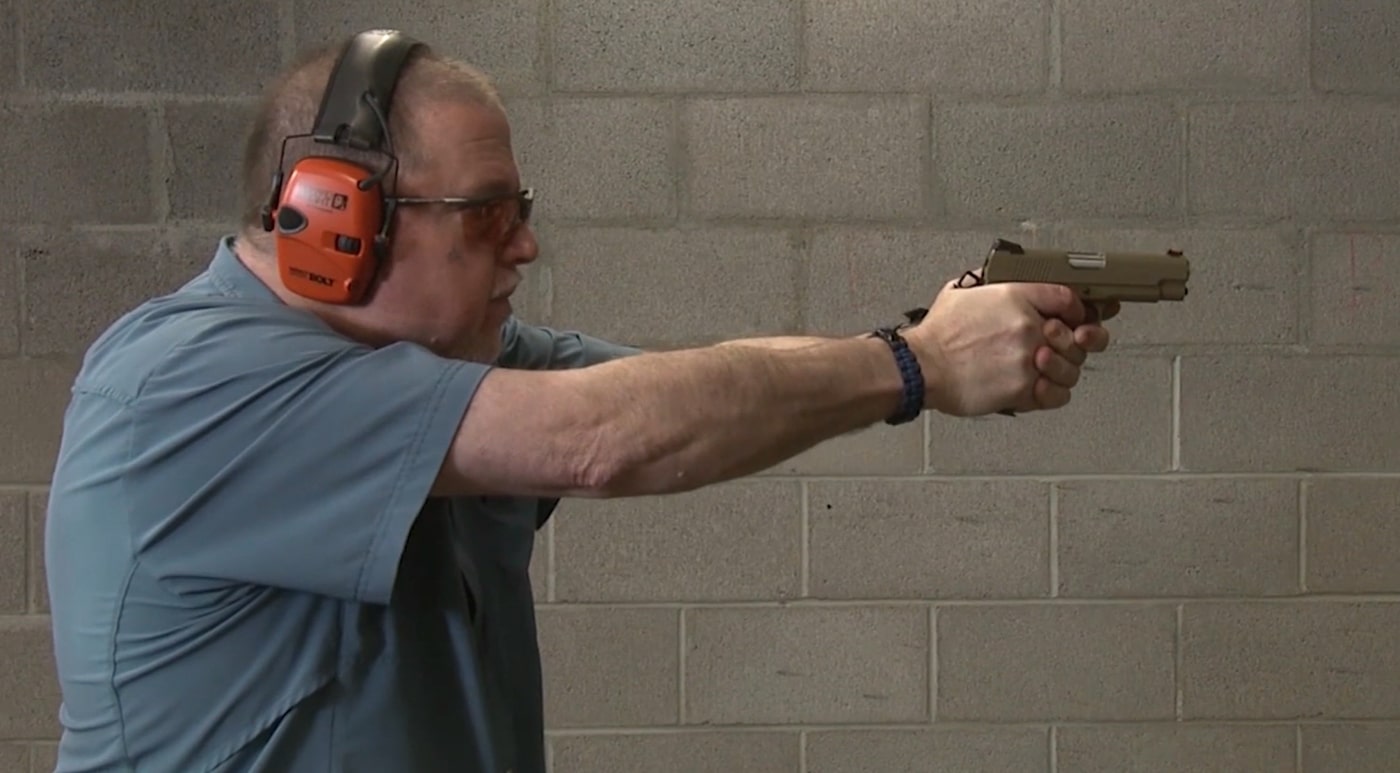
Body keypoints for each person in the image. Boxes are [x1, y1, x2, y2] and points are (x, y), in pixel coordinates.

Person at [43, 29, 1116, 773]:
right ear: (332, 216)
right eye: (485, 214)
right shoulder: (178, 386)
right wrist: (915, 360)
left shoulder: (453, 357)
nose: (526, 245)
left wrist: (952, 337)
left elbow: (683, 394)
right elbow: (602, 437)